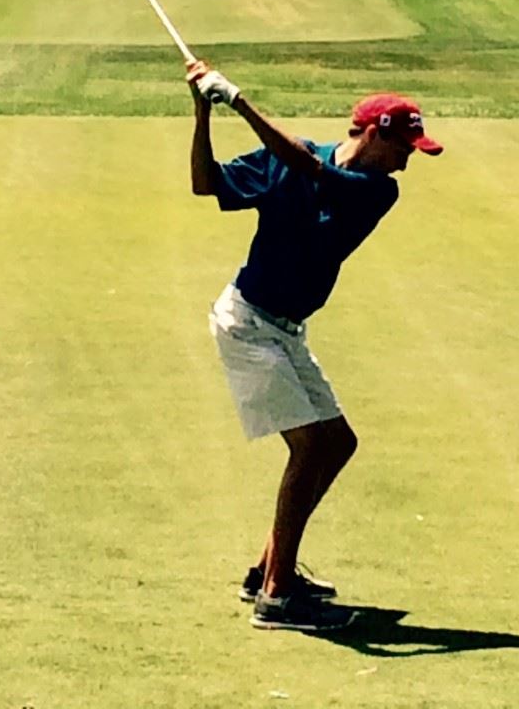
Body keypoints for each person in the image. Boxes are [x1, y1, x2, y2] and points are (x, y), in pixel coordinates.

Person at [187, 59, 443, 631]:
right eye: (404, 144)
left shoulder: (378, 191)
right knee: (311, 447)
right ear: (373, 133)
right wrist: (204, 110)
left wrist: (240, 100)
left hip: (286, 328)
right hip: (248, 323)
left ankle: (267, 570)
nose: (409, 157)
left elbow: (307, 168)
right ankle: (277, 597)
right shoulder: (292, 157)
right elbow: (206, 183)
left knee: (336, 443)